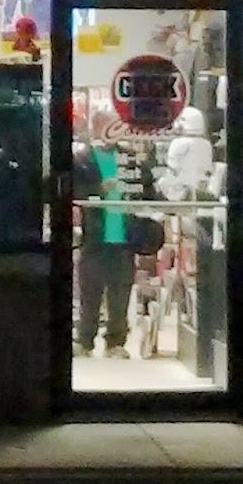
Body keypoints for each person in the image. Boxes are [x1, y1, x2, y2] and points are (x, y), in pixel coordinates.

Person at [74, 142, 136, 359]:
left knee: (121, 292)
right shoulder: (82, 159)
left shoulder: (128, 158)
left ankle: (116, 342)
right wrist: (98, 190)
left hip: (124, 236)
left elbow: (144, 187)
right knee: (89, 291)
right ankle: (85, 340)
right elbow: (75, 191)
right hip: (94, 236)